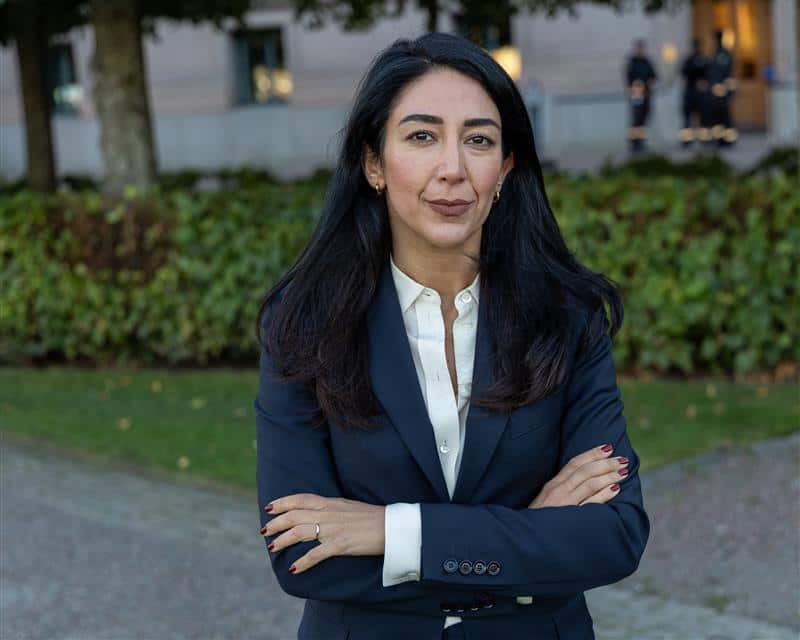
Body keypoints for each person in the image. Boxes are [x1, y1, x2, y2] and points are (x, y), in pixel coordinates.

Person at [255, 32, 649, 640]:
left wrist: (393, 532)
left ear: (506, 167)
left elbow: (613, 537)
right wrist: (528, 535)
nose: (452, 169)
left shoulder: (566, 316)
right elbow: (302, 556)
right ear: (373, 164)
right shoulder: (305, 324)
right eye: (421, 136)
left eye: (478, 140)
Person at [624, 39, 658, 153]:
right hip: (636, 94)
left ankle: (641, 141)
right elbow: (628, 78)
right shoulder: (632, 62)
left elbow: (654, 75)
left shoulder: (646, 61)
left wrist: (649, 81)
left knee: (644, 117)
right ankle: (634, 142)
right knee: (636, 118)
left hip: (646, 93)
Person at [707, 29, 738, 147]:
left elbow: (725, 73)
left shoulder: (723, 55)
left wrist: (726, 90)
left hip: (723, 91)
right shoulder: (716, 54)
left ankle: (728, 140)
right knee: (717, 116)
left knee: (725, 115)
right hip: (716, 92)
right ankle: (719, 139)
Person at [679, 38, 710, 148]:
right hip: (690, 92)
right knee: (687, 118)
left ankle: (704, 139)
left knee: (703, 117)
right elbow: (684, 73)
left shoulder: (704, 59)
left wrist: (704, 82)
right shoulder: (688, 60)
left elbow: (708, 74)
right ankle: (687, 140)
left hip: (701, 93)